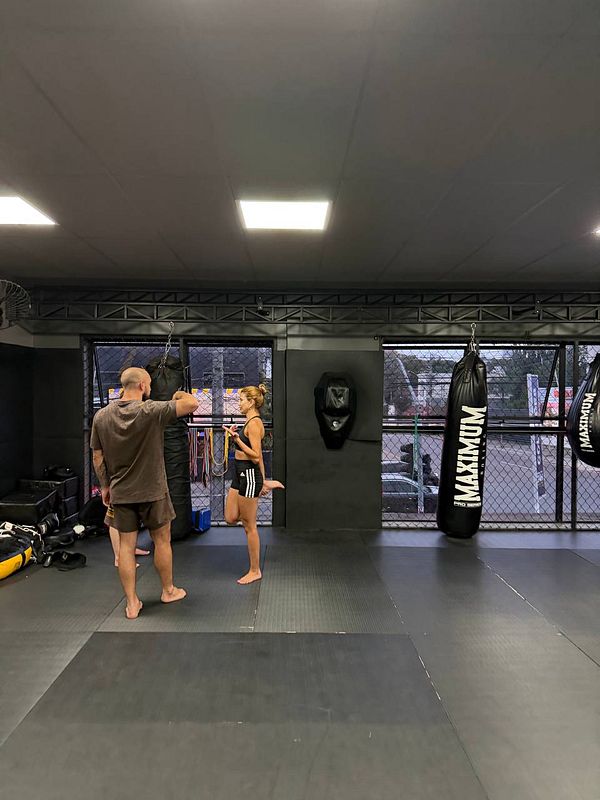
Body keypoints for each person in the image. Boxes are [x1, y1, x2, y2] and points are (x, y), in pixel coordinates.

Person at [91, 366, 199, 619]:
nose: (150, 388)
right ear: (142, 385)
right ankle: (168, 590)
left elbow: (97, 456)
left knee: (126, 549)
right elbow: (192, 404)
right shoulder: (151, 411)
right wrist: (177, 395)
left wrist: (105, 485)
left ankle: (131, 603)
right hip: (153, 490)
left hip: (121, 492)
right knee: (162, 540)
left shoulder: (102, 416)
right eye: (149, 384)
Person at [223, 384, 283, 585]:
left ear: (251, 402)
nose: (238, 403)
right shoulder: (247, 421)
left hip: (248, 475)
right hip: (239, 473)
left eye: (241, 400)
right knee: (230, 517)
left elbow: (257, 457)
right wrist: (263, 480)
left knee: (249, 526)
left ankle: (255, 570)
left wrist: (236, 440)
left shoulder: (255, 424)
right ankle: (265, 483)